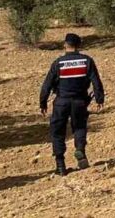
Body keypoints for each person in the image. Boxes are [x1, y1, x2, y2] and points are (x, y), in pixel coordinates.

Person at [39, 33, 105, 176]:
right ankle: (80, 150)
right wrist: (99, 99)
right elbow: (96, 81)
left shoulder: (58, 63)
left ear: (65, 45)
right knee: (80, 127)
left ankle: (60, 165)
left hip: (61, 102)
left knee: (58, 132)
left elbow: (47, 85)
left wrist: (43, 102)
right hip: (80, 101)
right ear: (79, 46)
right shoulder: (87, 61)